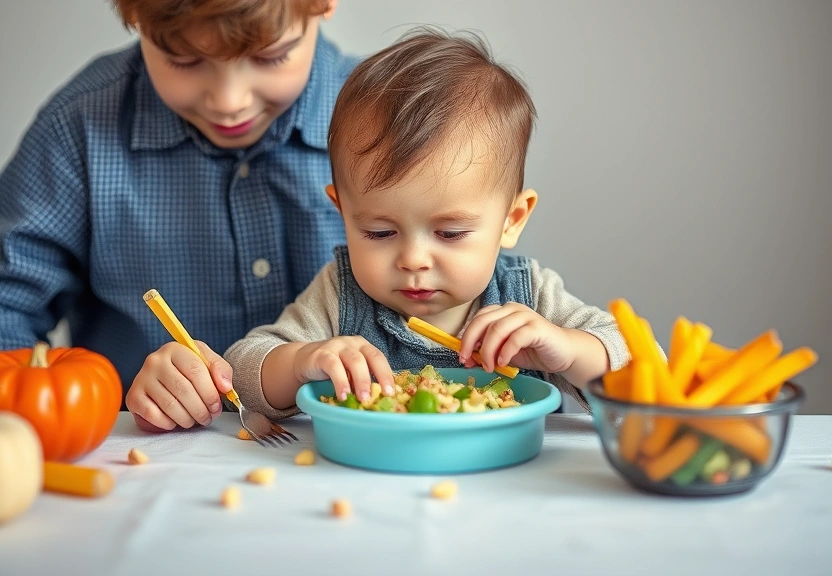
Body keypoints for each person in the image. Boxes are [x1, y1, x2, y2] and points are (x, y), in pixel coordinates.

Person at [224, 27, 630, 419]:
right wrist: (300, 362)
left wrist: (572, 351)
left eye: (449, 233)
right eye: (380, 232)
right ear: (344, 212)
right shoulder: (340, 296)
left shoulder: (528, 297)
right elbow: (241, 372)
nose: (413, 260)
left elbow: (642, 369)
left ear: (512, 220)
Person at [0, 0, 355, 431]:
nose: (229, 102)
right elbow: (7, 309)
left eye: (269, 57)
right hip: (142, 458)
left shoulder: (395, 122)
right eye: (185, 61)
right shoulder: (79, 128)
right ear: (136, 17)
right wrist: (56, 408)